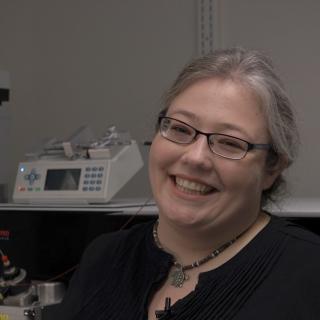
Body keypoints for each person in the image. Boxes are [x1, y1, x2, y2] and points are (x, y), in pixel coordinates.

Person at [56, 47, 320, 320]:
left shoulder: (309, 274)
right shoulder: (104, 257)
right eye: (181, 129)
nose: (195, 158)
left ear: (272, 168)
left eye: (229, 143)